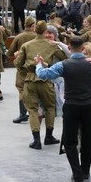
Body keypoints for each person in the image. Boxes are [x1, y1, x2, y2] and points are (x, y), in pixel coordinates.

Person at [35, 36, 91, 182]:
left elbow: (44, 74)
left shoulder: (64, 64)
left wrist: (39, 64)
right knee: (87, 140)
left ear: (69, 48)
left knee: (70, 141)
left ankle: (77, 175)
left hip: (71, 105)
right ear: (83, 48)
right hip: (89, 105)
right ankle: (85, 171)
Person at [13, 20, 68, 149]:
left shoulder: (26, 45)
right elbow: (65, 59)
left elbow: (17, 64)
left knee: (32, 110)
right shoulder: (51, 46)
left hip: (30, 79)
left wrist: (18, 58)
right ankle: (49, 136)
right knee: (50, 107)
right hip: (46, 79)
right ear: (44, 31)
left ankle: (36, 140)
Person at [7, 16, 36, 123]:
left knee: (22, 89)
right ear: (33, 25)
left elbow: (10, 52)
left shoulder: (19, 37)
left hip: (22, 67)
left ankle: (22, 114)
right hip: (36, 67)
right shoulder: (38, 36)